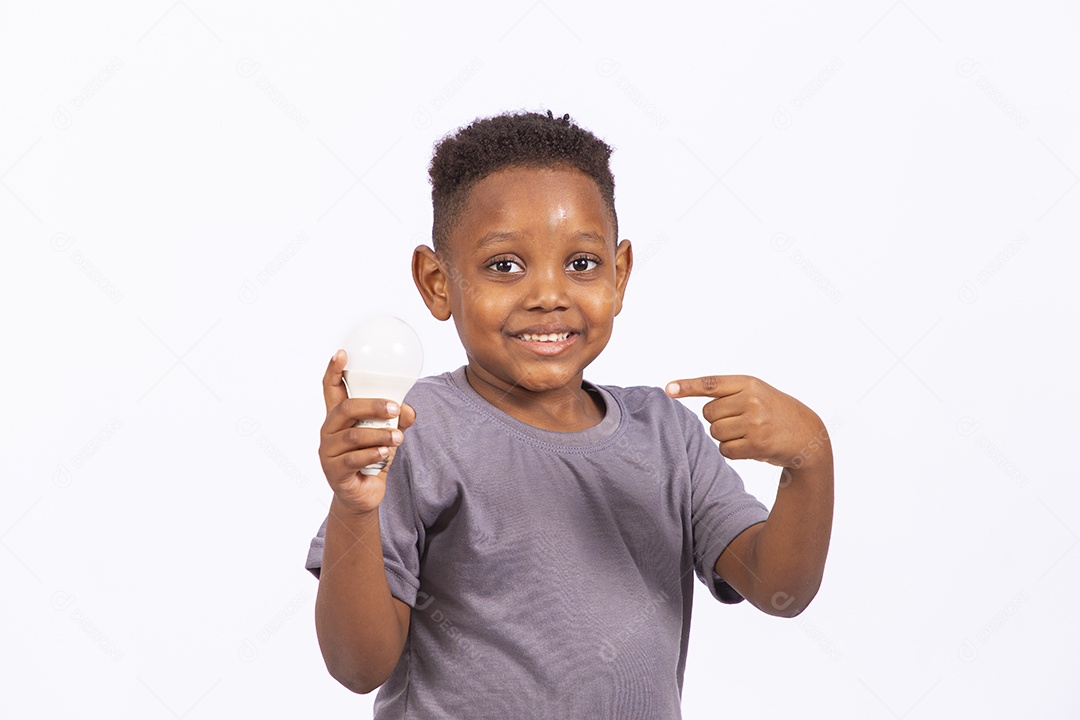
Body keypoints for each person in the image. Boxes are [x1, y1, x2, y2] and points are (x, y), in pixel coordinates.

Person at [306, 110, 834, 718]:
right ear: (437, 281)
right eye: (504, 265)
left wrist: (809, 457)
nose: (548, 295)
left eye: (581, 264)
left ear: (620, 274)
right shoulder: (410, 429)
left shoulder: (667, 436)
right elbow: (358, 666)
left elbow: (778, 588)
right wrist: (354, 507)